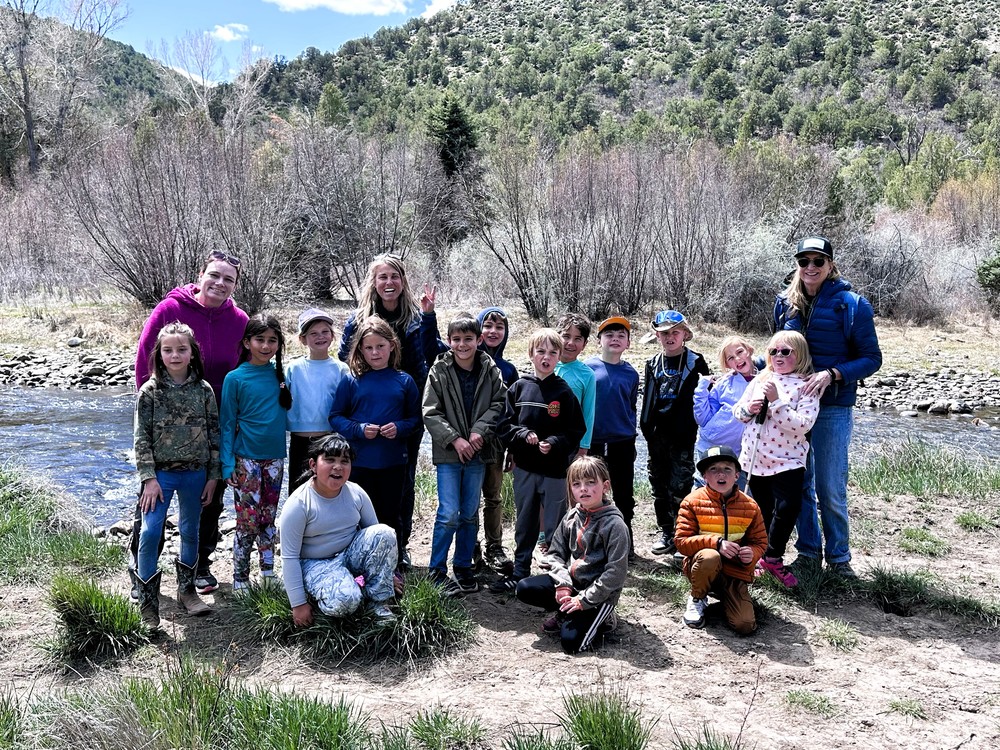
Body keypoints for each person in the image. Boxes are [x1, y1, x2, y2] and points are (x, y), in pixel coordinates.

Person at [132, 250, 248, 596]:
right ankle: (142, 571)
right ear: (200, 275)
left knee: (208, 497)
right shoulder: (170, 310)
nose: (219, 283)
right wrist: (153, 413)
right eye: (214, 275)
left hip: (216, 421)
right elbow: (144, 362)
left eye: (228, 279)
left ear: (235, 285)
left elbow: (243, 368)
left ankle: (198, 565)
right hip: (164, 426)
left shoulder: (239, 320)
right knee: (152, 503)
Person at [773, 236, 882, 579]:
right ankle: (807, 554)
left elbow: (871, 359)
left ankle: (839, 560)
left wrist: (833, 374)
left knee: (830, 487)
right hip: (791, 409)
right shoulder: (783, 304)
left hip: (833, 407)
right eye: (804, 261)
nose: (810, 268)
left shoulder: (852, 305)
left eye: (818, 262)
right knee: (799, 484)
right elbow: (778, 353)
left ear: (831, 265)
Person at [338, 254, 437, 568]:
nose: (389, 282)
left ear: (402, 280)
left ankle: (399, 545)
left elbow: (431, 354)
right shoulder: (358, 318)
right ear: (373, 282)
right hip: (367, 409)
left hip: (406, 407)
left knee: (402, 483)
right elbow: (345, 355)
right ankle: (358, 544)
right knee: (360, 480)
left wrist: (430, 315)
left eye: (394, 276)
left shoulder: (415, 318)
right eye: (382, 277)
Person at [131, 323, 218, 627]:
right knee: (150, 532)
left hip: (195, 474)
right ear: (159, 353)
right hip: (160, 477)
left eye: (182, 349)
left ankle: (187, 591)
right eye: (168, 350)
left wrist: (213, 476)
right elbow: (140, 437)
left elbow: (214, 434)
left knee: (190, 531)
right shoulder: (150, 391)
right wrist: (148, 479)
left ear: (193, 353)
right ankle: (148, 603)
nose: (175, 355)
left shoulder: (204, 390)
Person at [490, 328, 586, 593]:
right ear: (531, 354)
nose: (546, 357)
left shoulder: (564, 392)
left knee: (555, 524)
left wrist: (554, 443)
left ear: (559, 357)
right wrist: (523, 434)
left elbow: (576, 431)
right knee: (525, 520)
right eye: (541, 352)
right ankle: (520, 570)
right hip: (525, 468)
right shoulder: (519, 388)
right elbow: (504, 425)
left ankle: (557, 576)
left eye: (553, 353)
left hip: (555, 471)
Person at [422, 313, 507, 595]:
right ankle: (436, 570)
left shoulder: (489, 368)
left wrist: (478, 433)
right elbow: (430, 411)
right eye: (456, 339)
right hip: (449, 453)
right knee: (448, 512)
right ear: (449, 342)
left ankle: (463, 566)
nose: (462, 345)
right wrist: (455, 439)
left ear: (479, 340)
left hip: (477, 452)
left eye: (468, 339)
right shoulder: (439, 369)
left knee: (469, 513)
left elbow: (498, 403)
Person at [276, 434, 398, 624]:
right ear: (313, 465)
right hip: (314, 564)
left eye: (344, 461)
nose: (338, 467)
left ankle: (379, 602)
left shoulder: (356, 493)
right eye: (330, 460)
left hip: (349, 555)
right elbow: (289, 557)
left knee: (385, 532)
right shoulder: (298, 504)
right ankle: (325, 593)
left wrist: (387, 574)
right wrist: (298, 604)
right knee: (346, 601)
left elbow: (377, 537)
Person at [515, 456, 630, 653]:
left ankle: (603, 618)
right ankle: (566, 611)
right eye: (577, 484)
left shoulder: (615, 525)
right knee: (524, 588)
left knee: (572, 644)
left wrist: (583, 600)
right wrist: (563, 585)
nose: (583, 489)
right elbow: (555, 554)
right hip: (573, 584)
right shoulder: (571, 516)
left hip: (600, 595)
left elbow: (616, 573)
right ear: (571, 489)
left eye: (590, 482)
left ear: (606, 486)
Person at [330, 316, 421, 560]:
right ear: (360, 349)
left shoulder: (404, 381)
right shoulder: (352, 380)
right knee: (358, 516)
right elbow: (336, 417)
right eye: (369, 347)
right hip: (359, 463)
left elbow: (415, 420)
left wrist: (399, 428)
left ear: (392, 345)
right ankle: (360, 562)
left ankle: (394, 562)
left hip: (393, 462)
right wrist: (359, 429)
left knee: (391, 514)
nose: (375, 352)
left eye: (380, 346)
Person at [734, 331, 820, 588]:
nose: (778, 356)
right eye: (773, 352)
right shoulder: (761, 378)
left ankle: (774, 557)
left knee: (787, 509)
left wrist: (777, 403)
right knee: (761, 510)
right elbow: (738, 411)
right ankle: (759, 556)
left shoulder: (807, 386)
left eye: (786, 352)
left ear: (800, 355)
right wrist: (749, 410)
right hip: (754, 459)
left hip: (788, 461)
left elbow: (802, 425)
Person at [220, 313, 292, 591]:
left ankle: (268, 573)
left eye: (272, 340)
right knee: (247, 521)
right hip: (245, 460)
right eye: (259, 339)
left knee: (268, 518)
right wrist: (226, 464)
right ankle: (240, 577)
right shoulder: (235, 378)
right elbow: (227, 424)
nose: (266, 346)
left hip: (275, 459)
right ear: (247, 342)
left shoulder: (280, 376)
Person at [639, 310, 710, 558]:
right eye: (665, 333)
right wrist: (646, 428)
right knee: (658, 485)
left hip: (683, 436)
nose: (670, 337)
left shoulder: (696, 362)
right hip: (656, 437)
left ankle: (684, 533)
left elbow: (705, 398)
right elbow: (647, 399)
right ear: (658, 336)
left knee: (680, 486)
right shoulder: (652, 363)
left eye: (675, 332)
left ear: (684, 335)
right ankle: (667, 531)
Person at [675, 446, 767, 634]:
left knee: (745, 625)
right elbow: (681, 542)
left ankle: (726, 595)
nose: (721, 474)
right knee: (710, 556)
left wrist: (753, 553)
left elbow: (760, 542)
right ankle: (697, 597)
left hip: (734, 571)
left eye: (727, 469)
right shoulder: (691, 502)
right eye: (713, 469)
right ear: (704, 477)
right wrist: (716, 543)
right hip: (702, 566)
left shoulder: (750, 506)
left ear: (737, 475)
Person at [584, 316, 639, 549]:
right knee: (591, 491)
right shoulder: (588, 369)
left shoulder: (631, 374)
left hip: (622, 442)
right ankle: (591, 541)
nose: (614, 339)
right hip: (593, 441)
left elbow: (631, 405)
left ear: (627, 342)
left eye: (620, 336)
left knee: (624, 494)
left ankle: (625, 542)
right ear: (599, 341)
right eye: (609, 335)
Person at [285, 308, 349, 494]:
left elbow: (346, 405)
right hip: (299, 440)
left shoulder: (341, 369)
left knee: (328, 489)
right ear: (303, 339)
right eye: (313, 333)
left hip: (329, 439)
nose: (320, 337)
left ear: (332, 336)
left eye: (324, 332)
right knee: (299, 490)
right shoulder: (293, 368)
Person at [475, 306, 519, 573]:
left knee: (493, 496)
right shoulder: (467, 360)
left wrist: (512, 447)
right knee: (467, 500)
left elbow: (514, 413)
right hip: (468, 443)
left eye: (499, 328)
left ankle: (495, 546)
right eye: (487, 326)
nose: (493, 332)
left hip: (497, 443)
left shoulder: (509, 370)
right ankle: (470, 547)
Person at [692, 336, 759, 490]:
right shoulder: (724, 383)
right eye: (730, 358)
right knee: (703, 493)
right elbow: (702, 418)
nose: (737, 358)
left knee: (740, 497)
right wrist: (702, 387)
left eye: (740, 352)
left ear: (749, 350)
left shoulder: (764, 379)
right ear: (728, 364)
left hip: (742, 453)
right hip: (712, 444)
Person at [554, 313, 596, 459]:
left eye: (577, 339)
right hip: (542, 438)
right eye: (566, 336)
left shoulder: (587, 375)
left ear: (584, 344)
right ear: (556, 337)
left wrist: (584, 447)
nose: (570, 343)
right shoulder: (545, 366)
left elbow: (588, 413)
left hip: (571, 443)